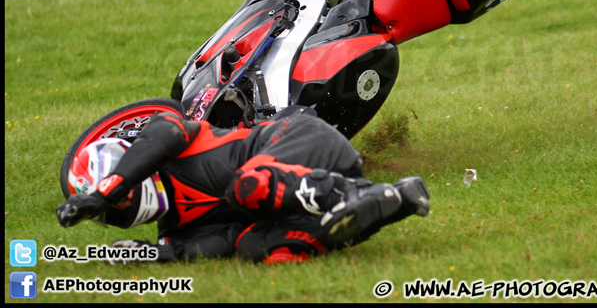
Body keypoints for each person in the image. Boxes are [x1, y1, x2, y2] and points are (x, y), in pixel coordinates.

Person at [56, 105, 430, 264]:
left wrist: (104, 192)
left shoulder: (164, 139)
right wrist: (150, 253)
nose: (121, 206)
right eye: (111, 213)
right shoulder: (175, 230)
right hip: (310, 188)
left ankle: (352, 196)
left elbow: (161, 137)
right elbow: (223, 243)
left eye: (118, 198)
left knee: (247, 186)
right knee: (258, 247)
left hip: (303, 140)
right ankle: (393, 201)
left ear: (123, 169)